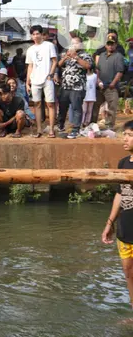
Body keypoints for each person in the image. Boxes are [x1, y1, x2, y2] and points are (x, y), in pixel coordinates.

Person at [101, 120, 133, 311]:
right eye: (125, 135)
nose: (125, 138)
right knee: (128, 272)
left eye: (129, 135)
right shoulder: (123, 163)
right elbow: (120, 194)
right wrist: (109, 222)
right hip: (125, 227)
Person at [26, 25, 58, 138]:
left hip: (47, 79)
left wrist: (51, 74)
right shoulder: (30, 49)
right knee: (37, 104)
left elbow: (54, 61)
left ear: (41, 34)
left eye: (37, 34)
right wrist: (27, 82)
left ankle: (51, 130)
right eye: (33, 34)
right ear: (31, 36)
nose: (35, 36)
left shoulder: (49, 45)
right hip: (35, 80)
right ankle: (39, 129)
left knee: (50, 104)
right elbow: (30, 66)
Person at [57, 36, 92, 139]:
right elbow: (59, 65)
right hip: (65, 86)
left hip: (77, 87)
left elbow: (88, 66)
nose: (73, 46)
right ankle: (60, 126)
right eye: (72, 44)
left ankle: (75, 129)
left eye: (75, 43)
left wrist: (76, 57)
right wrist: (65, 57)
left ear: (81, 45)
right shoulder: (66, 54)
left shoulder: (85, 55)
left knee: (76, 108)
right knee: (62, 107)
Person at [93, 36, 125, 128]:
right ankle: (92, 124)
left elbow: (120, 72)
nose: (110, 46)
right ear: (106, 45)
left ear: (115, 45)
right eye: (108, 44)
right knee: (95, 106)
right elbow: (98, 69)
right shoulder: (102, 55)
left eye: (112, 44)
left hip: (112, 86)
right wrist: (98, 80)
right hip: (100, 86)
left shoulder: (118, 56)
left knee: (112, 108)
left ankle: (109, 126)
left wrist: (113, 83)